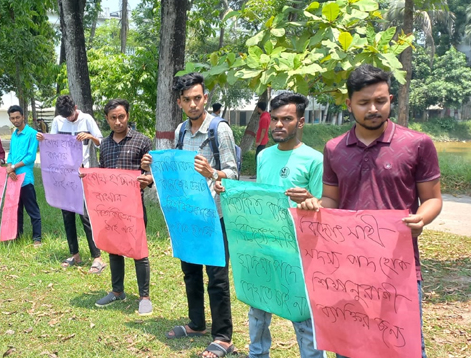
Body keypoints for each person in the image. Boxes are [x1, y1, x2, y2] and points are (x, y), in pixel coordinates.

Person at [298, 64, 442, 358]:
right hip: (346, 268)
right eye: (364, 102)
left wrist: (421, 218)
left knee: (404, 347)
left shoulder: (417, 144)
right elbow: (331, 200)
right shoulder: (335, 148)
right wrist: (315, 205)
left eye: (381, 100)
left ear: (391, 98)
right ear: (349, 104)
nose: (373, 108)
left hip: (398, 267)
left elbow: (433, 199)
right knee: (349, 346)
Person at [216, 92, 325, 358]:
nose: (278, 125)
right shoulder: (264, 156)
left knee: (302, 316)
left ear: (300, 122)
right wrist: (227, 189)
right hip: (262, 247)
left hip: (298, 252)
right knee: (258, 308)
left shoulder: (315, 160)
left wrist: (312, 200)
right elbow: (259, 197)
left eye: (286, 119)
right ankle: (257, 354)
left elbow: (327, 207)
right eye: (275, 119)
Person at [141, 73, 238, 358]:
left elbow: (232, 173)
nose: (194, 104)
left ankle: (223, 337)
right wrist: (151, 167)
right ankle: (197, 324)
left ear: (205, 98)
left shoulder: (219, 130)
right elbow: (177, 170)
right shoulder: (181, 130)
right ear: (180, 102)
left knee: (217, 277)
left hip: (214, 216)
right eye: (188, 100)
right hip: (187, 216)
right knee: (191, 272)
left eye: (198, 98)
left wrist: (213, 172)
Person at [93, 99, 155, 317]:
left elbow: (153, 174)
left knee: (139, 252)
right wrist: (88, 177)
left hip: (134, 207)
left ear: (128, 115)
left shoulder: (142, 142)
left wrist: (148, 178)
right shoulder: (105, 144)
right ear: (107, 119)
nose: (118, 122)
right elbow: (102, 174)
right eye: (113, 118)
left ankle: (144, 297)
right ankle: (117, 291)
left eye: (122, 116)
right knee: (114, 249)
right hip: (111, 208)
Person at [36, 95, 106, 274]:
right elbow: (52, 143)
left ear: (76, 107)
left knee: (85, 215)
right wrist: (43, 139)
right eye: (66, 116)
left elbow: (101, 142)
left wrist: (90, 136)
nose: (69, 119)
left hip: (83, 174)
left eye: (71, 115)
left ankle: (97, 256)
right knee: (67, 214)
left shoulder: (87, 119)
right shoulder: (59, 121)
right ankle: (75, 254)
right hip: (64, 175)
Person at [6, 105, 42, 245]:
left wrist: (14, 167)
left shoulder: (32, 134)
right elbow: (11, 155)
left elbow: (30, 157)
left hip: (25, 179)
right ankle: (17, 235)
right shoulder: (14, 135)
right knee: (16, 209)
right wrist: (10, 167)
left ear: (23, 117)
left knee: (32, 209)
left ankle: (37, 238)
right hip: (13, 178)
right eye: (12, 118)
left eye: (17, 117)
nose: (15, 120)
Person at [252, 101, 270, 179]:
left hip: (261, 141)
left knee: (258, 157)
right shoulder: (266, 115)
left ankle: (259, 174)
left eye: (257, 108)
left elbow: (263, 130)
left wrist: (259, 141)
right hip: (263, 139)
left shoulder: (264, 118)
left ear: (259, 108)